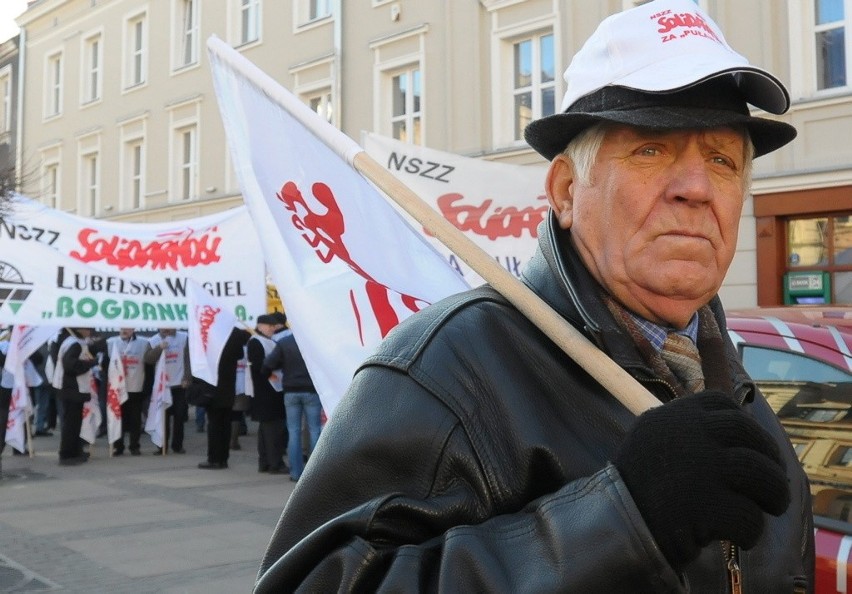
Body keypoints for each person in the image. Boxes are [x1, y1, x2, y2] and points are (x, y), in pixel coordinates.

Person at [254, 1, 815, 591]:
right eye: (651, 149)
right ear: (568, 191)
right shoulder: (448, 370)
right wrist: (622, 520)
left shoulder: (735, 388)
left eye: (723, 160)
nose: (697, 187)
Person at [263, 320, 322, 483]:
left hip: (290, 390)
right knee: (315, 430)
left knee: (294, 431)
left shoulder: (284, 342)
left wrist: (272, 375)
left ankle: (296, 473)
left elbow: (267, 364)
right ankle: (315, 473)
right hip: (311, 390)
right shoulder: (315, 343)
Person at [197, 327, 250, 470]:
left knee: (214, 425)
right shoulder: (235, 332)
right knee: (225, 424)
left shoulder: (210, 333)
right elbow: (240, 354)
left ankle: (214, 459)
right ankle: (223, 459)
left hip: (213, 387)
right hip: (228, 386)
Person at [54, 328, 104, 466]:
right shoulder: (74, 344)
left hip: (74, 388)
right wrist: (91, 363)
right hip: (72, 388)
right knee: (71, 423)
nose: (90, 331)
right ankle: (67, 454)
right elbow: (70, 365)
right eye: (87, 328)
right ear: (79, 329)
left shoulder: (76, 342)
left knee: (75, 423)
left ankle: (75, 451)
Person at [248, 314, 287, 474]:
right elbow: (259, 366)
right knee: (272, 430)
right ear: (260, 326)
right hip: (265, 392)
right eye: (269, 326)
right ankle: (274, 463)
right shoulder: (256, 342)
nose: (272, 329)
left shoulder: (269, 341)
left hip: (272, 391)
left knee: (268, 429)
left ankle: (265, 462)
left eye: (273, 326)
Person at [144, 328, 190, 454]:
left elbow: (188, 359)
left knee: (179, 416)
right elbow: (148, 359)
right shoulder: (153, 340)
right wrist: (159, 348)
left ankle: (177, 445)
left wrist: (187, 377)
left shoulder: (184, 337)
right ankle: (161, 446)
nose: (167, 329)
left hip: (179, 384)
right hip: (162, 386)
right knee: (163, 417)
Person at [106, 328, 151, 456]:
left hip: (135, 386)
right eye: (122, 327)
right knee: (118, 417)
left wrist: (146, 387)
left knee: (135, 419)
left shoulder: (143, 342)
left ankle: (134, 446)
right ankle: (118, 446)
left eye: (127, 327)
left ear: (133, 329)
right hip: (117, 387)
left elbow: (148, 365)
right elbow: (105, 364)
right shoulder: (111, 342)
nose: (124, 330)